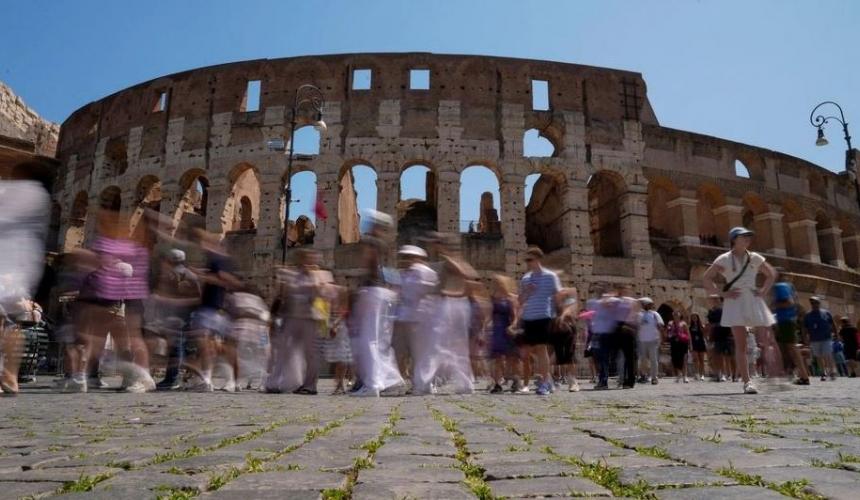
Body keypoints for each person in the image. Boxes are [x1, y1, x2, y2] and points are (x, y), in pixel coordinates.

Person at [703, 226, 777, 395]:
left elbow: (771, 274)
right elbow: (706, 278)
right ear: (734, 239)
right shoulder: (724, 259)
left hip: (752, 298)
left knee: (766, 339)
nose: (747, 239)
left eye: (748, 236)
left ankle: (774, 375)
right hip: (735, 300)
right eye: (743, 236)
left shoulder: (755, 257)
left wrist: (764, 291)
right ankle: (747, 382)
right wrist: (722, 293)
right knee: (740, 344)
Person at [267, 248, 326, 395]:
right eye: (305, 258)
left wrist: (313, 278)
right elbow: (283, 294)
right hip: (291, 318)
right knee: (284, 350)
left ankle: (310, 386)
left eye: (311, 258)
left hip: (310, 319)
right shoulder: (291, 275)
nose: (308, 261)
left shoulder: (319, 275)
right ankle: (275, 382)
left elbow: (323, 294)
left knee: (310, 354)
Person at [517, 247, 561, 396]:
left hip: (543, 316)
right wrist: (527, 291)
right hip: (528, 318)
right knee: (526, 352)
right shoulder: (525, 278)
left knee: (542, 349)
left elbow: (558, 296)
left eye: (530, 259)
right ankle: (546, 378)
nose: (527, 263)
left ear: (538, 259)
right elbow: (520, 300)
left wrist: (558, 316)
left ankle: (544, 383)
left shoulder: (550, 276)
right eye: (526, 260)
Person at [393, 245, 438, 380]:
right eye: (403, 257)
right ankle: (403, 379)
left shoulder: (426, 272)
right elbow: (398, 294)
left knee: (420, 352)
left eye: (407, 257)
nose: (404, 260)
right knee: (400, 350)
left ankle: (425, 382)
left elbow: (429, 293)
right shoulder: (402, 274)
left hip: (420, 317)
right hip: (403, 316)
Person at [771, 280, 810, 385]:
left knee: (793, 348)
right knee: (789, 349)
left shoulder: (780, 286)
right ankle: (800, 375)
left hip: (786, 321)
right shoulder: (786, 286)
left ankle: (804, 376)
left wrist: (775, 304)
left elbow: (789, 302)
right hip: (785, 321)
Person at [487, 275, 520, 394]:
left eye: (499, 282)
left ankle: (514, 379)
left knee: (511, 358)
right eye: (495, 282)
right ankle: (497, 384)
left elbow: (515, 317)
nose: (496, 284)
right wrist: (484, 327)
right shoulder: (492, 298)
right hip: (496, 330)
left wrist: (512, 326)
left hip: (507, 330)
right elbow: (488, 315)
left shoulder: (510, 298)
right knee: (497, 358)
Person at [323, 287, 352, 395]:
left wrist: (335, 325)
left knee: (342, 359)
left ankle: (340, 385)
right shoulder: (331, 303)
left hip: (342, 331)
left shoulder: (344, 302)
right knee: (338, 360)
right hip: (335, 329)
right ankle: (339, 385)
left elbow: (344, 314)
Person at [551, 288, 580, 392]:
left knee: (570, 355)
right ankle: (553, 379)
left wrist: (562, 315)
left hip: (569, 329)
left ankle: (573, 381)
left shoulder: (570, 301)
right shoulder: (553, 303)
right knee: (557, 355)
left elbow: (570, 310)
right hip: (556, 329)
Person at [802, 296, 837, 381]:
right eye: (812, 303)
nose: (814, 304)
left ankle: (832, 372)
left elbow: (832, 323)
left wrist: (836, 334)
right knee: (818, 356)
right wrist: (805, 338)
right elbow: (805, 328)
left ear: (819, 303)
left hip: (826, 338)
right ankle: (823, 373)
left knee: (828, 354)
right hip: (814, 339)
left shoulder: (826, 313)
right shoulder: (808, 315)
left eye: (816, 303)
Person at [706, 295, 734, 382]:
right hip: (717, 335)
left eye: (716, 299)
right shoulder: (711, 312)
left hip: (727, 335)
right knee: (718, 355)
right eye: (713, 299)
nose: (714, 300)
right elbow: (710, 325)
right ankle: (720, 373)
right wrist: (710, 336)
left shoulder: (727, 310)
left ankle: (731, 374)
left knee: (729, 356)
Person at [636, 298, 664, 385]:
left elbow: (661, 325)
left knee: (653, 359)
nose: (649, 306)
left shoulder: (655, 314)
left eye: (650, 304)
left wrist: (661, 337)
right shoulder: (639, 314)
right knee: (642, 360)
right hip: (642, 340)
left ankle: (654, 377)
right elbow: (636, 326)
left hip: (653, 340)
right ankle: (643, 375)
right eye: (647, 304)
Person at [666, 310, 691, 383]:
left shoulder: (683, 323)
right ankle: (679, 374)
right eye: (674, 314)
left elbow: (688, 333)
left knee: (684, 359)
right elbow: (668, 332)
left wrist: (690, 344)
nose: (676, 315)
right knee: (675, 359)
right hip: (674, 343)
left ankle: (685, 376)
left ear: (680, 315)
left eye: (677, 314)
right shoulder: (670, 323)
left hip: (683, 342)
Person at [689, 313, 707, 381]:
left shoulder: (701, 326)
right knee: (695, 359)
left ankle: (702, 374)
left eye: (695, 317)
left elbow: (704, 334)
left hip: (701, 343)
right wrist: (690, 345)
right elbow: (690, 336)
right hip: (694, 343)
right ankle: (696, 373)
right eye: (693, 317)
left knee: (701, 359)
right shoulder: (690, 327)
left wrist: (702, 327)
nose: (694, 318)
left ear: (697, 318)